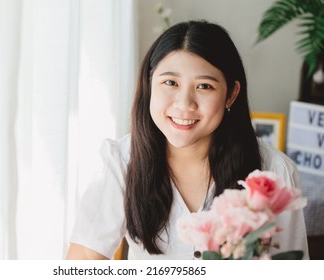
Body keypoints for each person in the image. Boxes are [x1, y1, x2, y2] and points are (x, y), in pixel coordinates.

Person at [66, 20, 309, 260]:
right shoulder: (121, 161)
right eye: (170, 83)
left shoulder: (274, 173)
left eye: (204, 86)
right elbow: (85, 257)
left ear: (231, 94)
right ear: (149, 84)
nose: (184, 104)